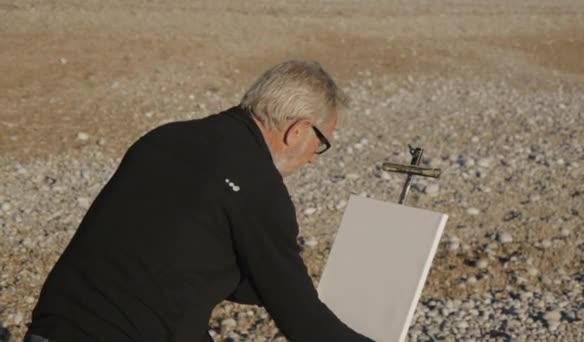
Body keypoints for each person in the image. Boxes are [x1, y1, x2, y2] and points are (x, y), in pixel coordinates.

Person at [25, 60, 374, 341]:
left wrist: (279, 278)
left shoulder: (165, 138)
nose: (314, 157)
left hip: (51, 326)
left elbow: (185, 258)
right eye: (322, 143)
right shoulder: (258, 186)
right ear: (297, 130)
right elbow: (301, 320)